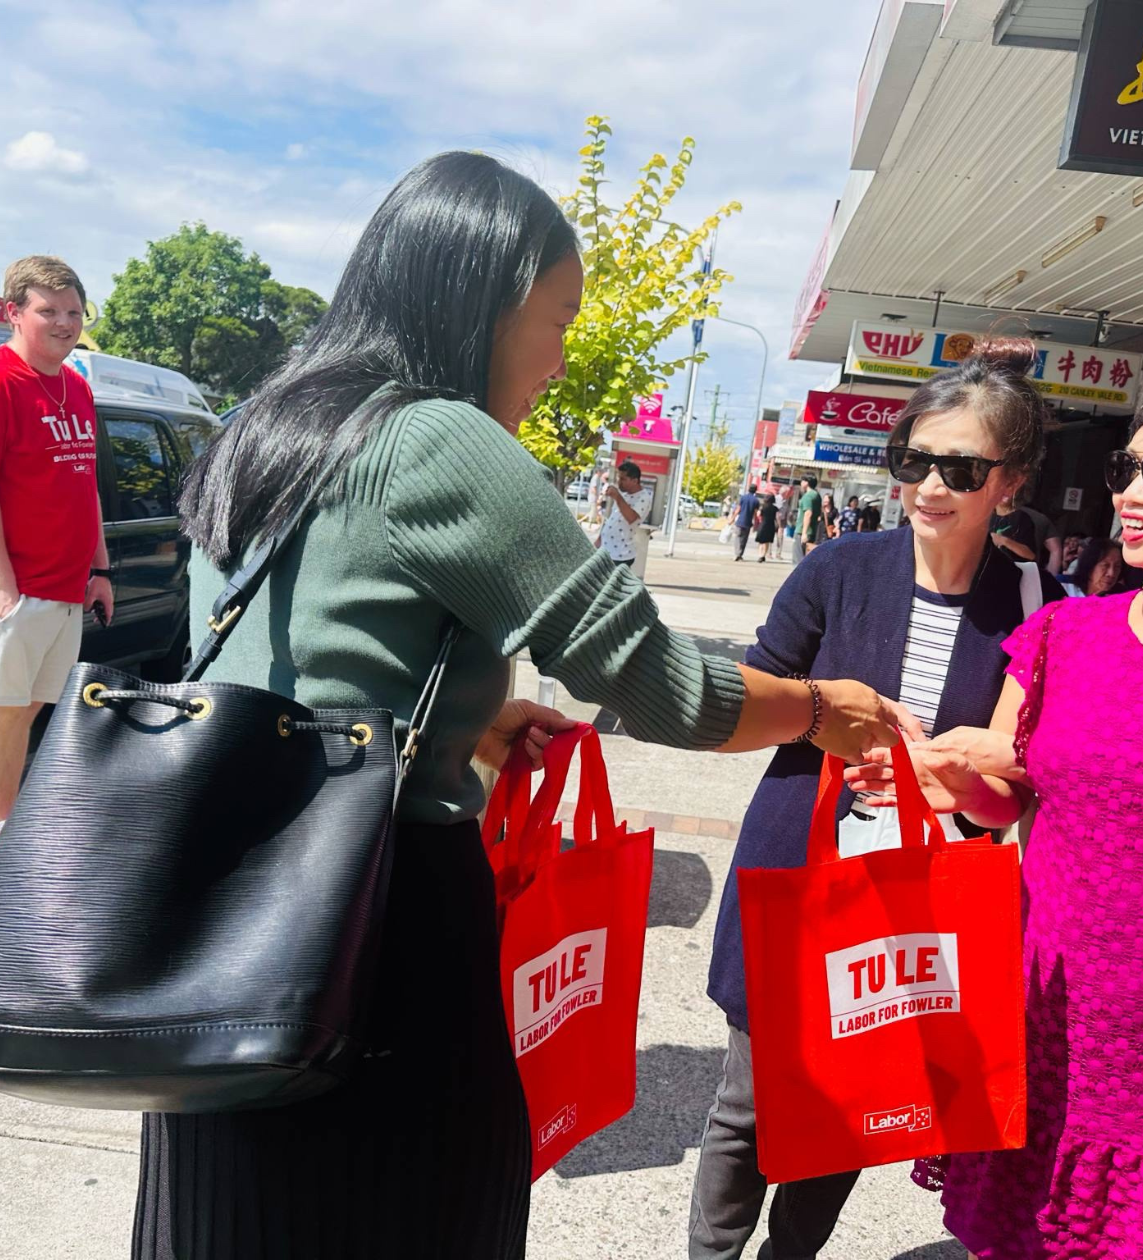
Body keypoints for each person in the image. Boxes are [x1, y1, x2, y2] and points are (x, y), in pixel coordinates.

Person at [140, 151, 907, 1260]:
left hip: (226, 905)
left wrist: (457, 726)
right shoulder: (438, 438)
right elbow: (660, 684)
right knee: (404, 1212)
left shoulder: (268, 423)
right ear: (485, 301)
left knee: (238, 1217)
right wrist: (821, 707)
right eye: (558, 321)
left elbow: (288, 662)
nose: (559, 360)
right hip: (373, 923)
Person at [693, 337, 1065, 1260]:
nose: (930, 485)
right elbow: (750, 699)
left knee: (860, 1097)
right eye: (913, 459)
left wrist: (956, 782)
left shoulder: (1036, 607)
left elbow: (1016, 787)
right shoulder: (839, 569)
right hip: (798, 859)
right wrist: (825, 717)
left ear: (1009, 483)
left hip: (924, 894)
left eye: (960, 468)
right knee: (750, 1100)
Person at [862, 379, 1143, 1260]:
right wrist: (960, 787)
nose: (1131, 494)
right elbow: (1014, 795)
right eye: (1126, 470)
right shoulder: (1064, 635)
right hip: (1042, 1010)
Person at [0, 256, 110, 822]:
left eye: (74, 311)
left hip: (67, 590)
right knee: (4, 715)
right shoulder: (3, 381)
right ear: (12, 313)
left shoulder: (77, 387)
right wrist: (5, 591)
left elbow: (86, 483)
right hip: (20, 590)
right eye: (50, 311)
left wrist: (101, 570)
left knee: (28, 711)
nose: (66, 323)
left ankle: (8, 826)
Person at [600, 460, 652, 566]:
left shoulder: (643, 498)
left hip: (620, 553)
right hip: (606, 550)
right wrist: (599, 539)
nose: (619, 482)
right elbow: (612, 519)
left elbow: (631, 517)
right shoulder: (624, 495)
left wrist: (617, 497)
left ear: (635, 481)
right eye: (619, 478)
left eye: (623, 479)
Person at [798, 476, 825, 554]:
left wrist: (804, 533)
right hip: (813, 530)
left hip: (802, 530)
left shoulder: (808, 496)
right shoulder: (817, 495)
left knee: (798, 555)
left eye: (802, 481)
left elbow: (808, 513)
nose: (801, 483)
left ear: (806, 482)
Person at [755, 490, 782, 562]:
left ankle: (760, 555)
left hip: (763, 524)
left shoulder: (763, 506)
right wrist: (779, 526)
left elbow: (758, 514)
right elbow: (777, 517)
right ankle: (763, 555)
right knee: (767, 541)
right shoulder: (775, 508)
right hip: (770, 525)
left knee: (761, 541)